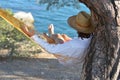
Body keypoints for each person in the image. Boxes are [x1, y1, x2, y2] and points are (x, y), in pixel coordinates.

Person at [21, 11, 95, 66]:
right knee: (63, 36)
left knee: (58, 37)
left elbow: (51, 49)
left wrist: (33, 36)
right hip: (78, 54)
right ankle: (51, 35)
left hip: (69, 60)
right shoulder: (92, 37)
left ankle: (51, 37)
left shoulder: (73, 45)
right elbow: (76, 43)